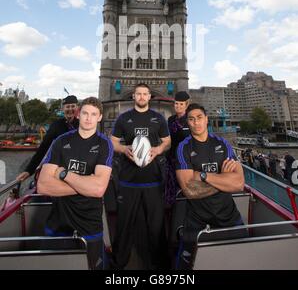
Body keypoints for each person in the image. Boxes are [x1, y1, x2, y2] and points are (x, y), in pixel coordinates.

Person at [37, 97, 113, 270]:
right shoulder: (61, 141)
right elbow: (43, 185)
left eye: (93, 114)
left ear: (99, 117)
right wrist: (85, 185)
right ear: (79, 114)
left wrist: (63, 173)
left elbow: (98, 189)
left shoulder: (104, 144)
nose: (88, 118)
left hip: (89, 224)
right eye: (85, 113)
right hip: (58, 221)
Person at [175, 103, 246, 269]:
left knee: (238, 262)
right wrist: (223, 180)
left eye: (199, 118)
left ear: (206, 119)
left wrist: (202, 175)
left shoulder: (223, 144)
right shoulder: (183, 148)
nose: (196, 122)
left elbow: (239, 184)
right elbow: (189, 190)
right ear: (188, 123)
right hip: (197, 222)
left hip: (230, 218)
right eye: (191, 119)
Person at [111, 83, 171, 270]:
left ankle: (159, 263)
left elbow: (167, 142)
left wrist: (159, 149)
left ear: (150, 97)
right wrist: (123, 149)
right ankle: (120, 262)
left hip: (153, 180)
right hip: (128, 181)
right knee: (124, 225)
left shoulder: (158, 118)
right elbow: (112, 142)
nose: (142, 97)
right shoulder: (123, 118)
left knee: (156, 226)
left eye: (145, 94)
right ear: (134, 96)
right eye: (139, 94)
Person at [16, 95, 79, 182]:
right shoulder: (56, 125)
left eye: (73, 106)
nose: (70, 109)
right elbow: (43, 148)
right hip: (60, 167)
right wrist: (29, 170)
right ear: (63, 109)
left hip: (77, 167)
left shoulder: (82, 125)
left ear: (77, 108)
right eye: (67, 106)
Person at [165, 91, 190, 206]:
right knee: (171, 187)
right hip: (171, 158)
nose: (178, 106)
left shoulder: (190, 120)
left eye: (181, 104)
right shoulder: (170, 120)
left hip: (186, 160)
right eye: (176, 104)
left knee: (186, 188)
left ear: (186, 105)